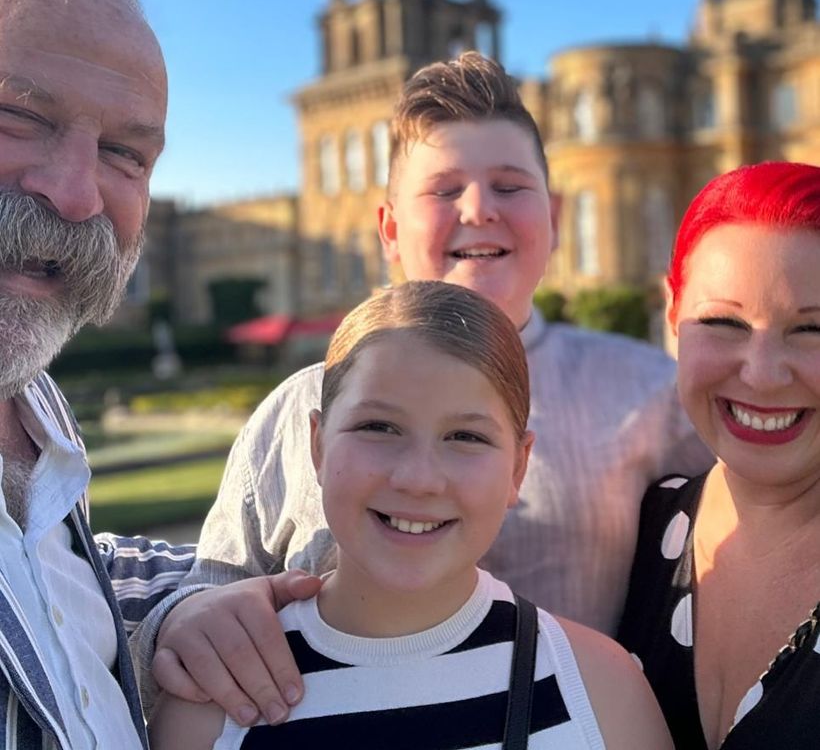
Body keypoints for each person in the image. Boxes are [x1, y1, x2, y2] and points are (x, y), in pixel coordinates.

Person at [144, 51, 711, 721]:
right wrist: (190, 616)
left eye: (509, 185)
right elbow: (207, 597)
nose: (479, 209)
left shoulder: (647, 389)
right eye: (444, 189)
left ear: (554, 216)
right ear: (389, 228)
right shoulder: (301, 404)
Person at [0, 0, 317, 748]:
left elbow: (47, 588)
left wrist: (178, 605)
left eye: (124, 153)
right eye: (19, 115)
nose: (74, 194)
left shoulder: (35, 411)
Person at [149, 281, 673, 750]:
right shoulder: (214, 709)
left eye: (465, 436)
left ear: (518, 467)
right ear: (317, 446)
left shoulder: (603, 693)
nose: (419, 478)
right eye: (379, 427)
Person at [617, 161, 820, 750]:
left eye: (811, 330)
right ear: (673, 315)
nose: (761, 375)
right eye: (723, 322)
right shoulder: (637, 528)